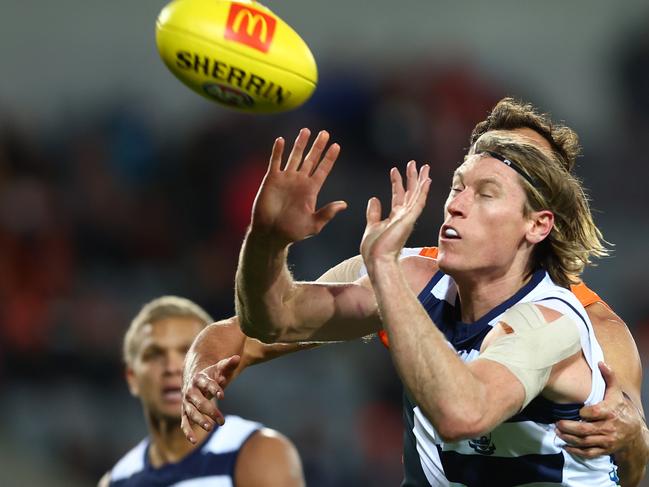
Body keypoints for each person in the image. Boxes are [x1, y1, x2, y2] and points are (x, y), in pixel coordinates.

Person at [181, 99, 648, 486]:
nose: (459, 203)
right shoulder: (412, 273)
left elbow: (631, 454)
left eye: (493, 189)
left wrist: (633, 437)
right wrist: (267, 237)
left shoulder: (577, 322)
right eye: (463, 183)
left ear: (542, 217)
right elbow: (256, 326)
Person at [99, 296, 304, 487]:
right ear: (132, 378)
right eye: (154, 355)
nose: (172, 366)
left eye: (188, 352)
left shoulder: (259, 452)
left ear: (216, 360)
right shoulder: (117, 480)